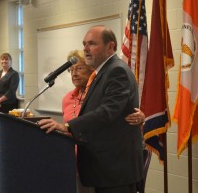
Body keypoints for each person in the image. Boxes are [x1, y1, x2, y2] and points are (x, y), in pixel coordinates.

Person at [39, 25, 143, 193]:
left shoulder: (117, 71)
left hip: (115, 169)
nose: (86, 49)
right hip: (104, 168)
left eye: (92, 44)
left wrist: (67, 127)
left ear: (110, 46)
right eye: (84, 44)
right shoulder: (101, 73)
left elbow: (107, 111)